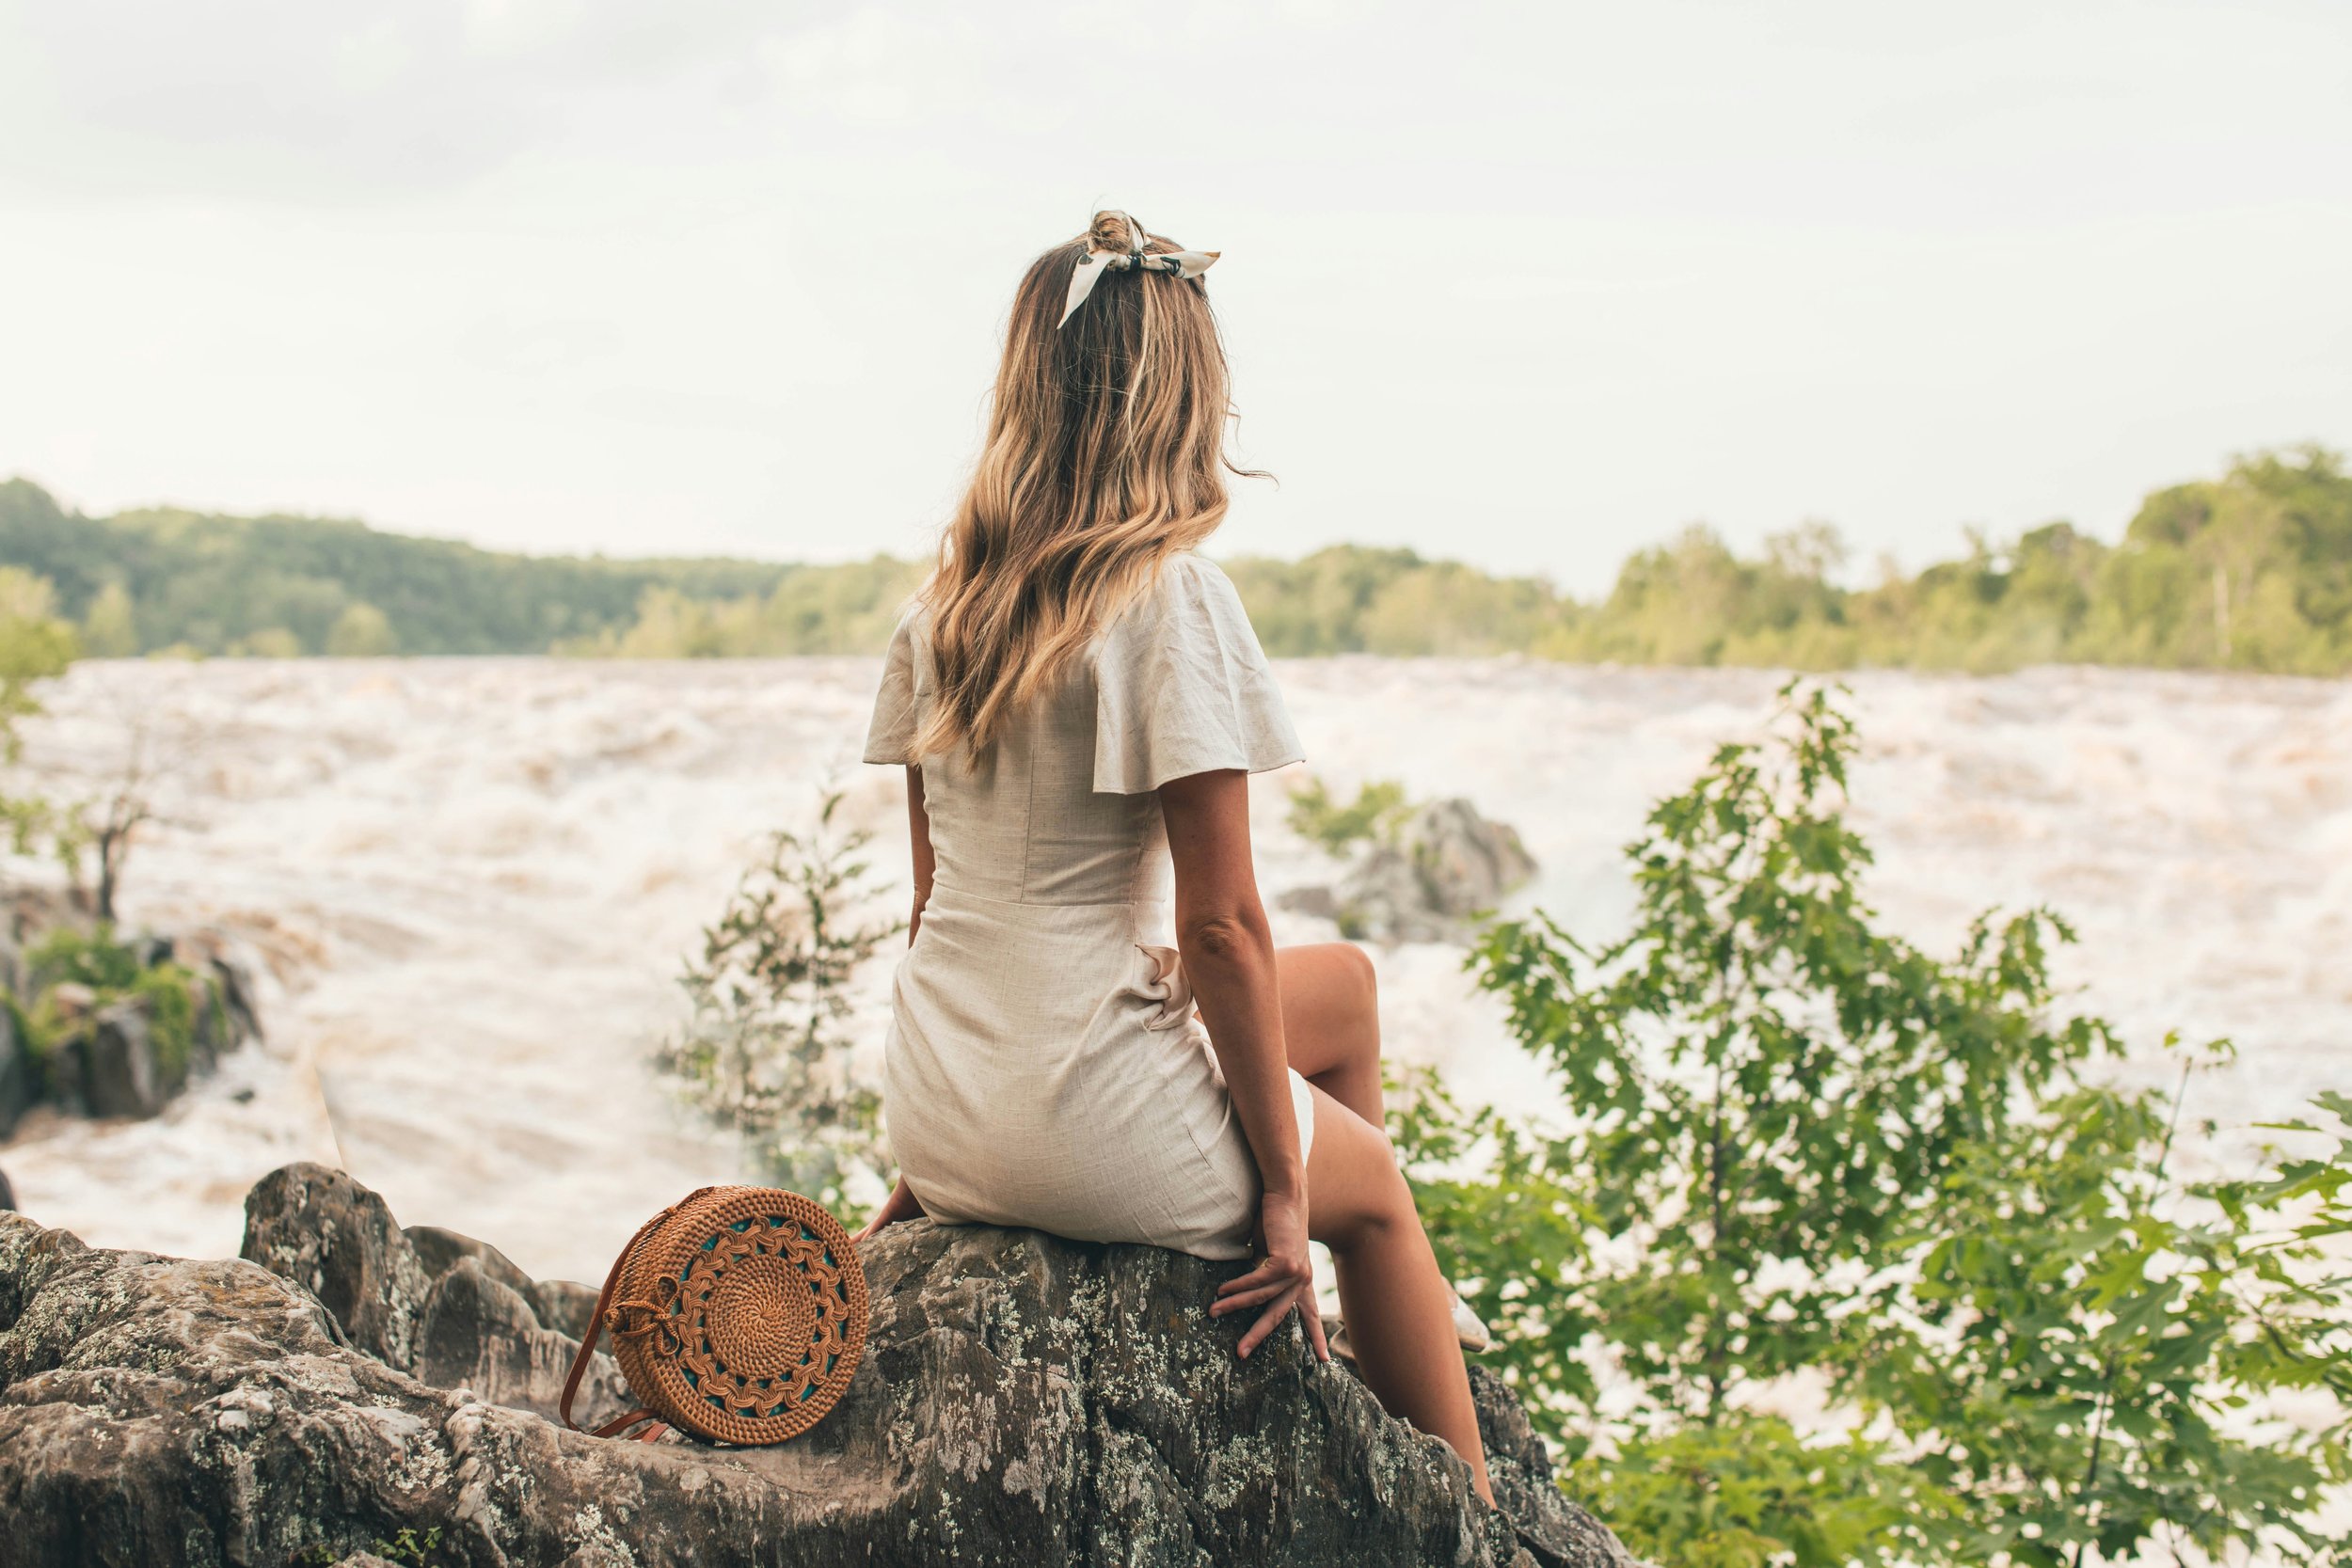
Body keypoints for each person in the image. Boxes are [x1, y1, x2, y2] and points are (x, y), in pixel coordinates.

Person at [851, 210, 1493, 1504]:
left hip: (947, 1108)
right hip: (1088, 1125)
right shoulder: (1171, 595)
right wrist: (1286, 1195)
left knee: (1351, 988)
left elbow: (937, 909)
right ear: (1177, 399)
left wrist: (933, 1160)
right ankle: (1466, 1502)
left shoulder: (946, 606)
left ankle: (1382, 1317)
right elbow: (1222, 933)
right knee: (1374, 1196)